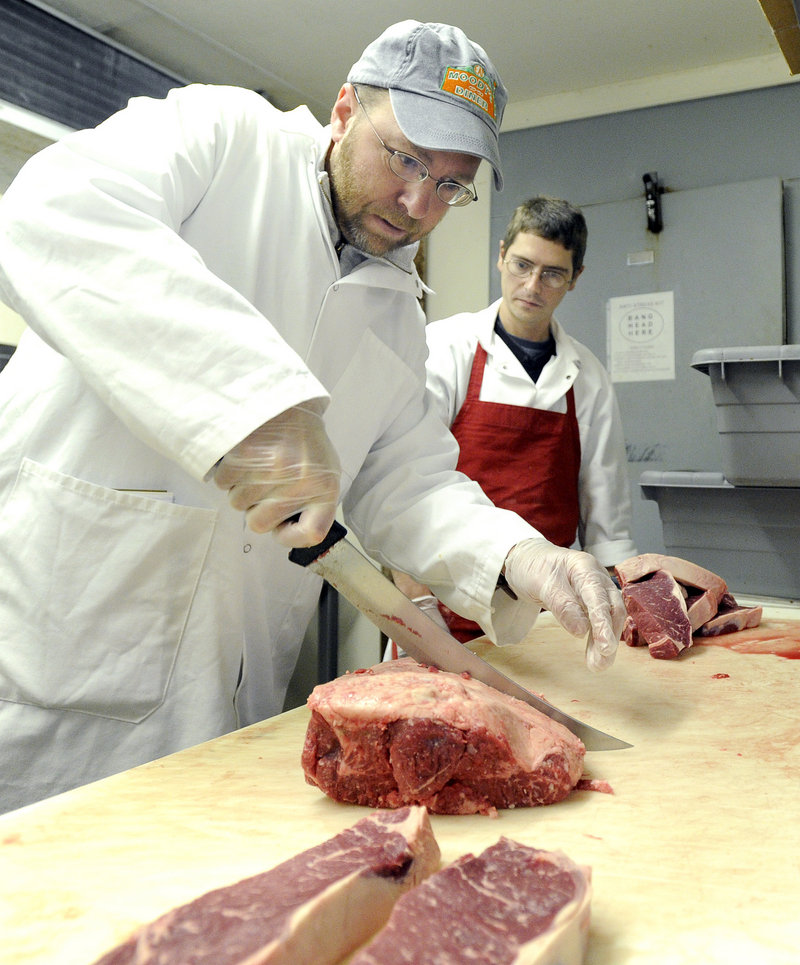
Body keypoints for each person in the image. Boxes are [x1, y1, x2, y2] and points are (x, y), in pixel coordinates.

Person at [0, 21, 624, 813]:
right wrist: (257, 404)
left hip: (229, 695)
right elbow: (52, 211)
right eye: (405, 159)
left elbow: (407, 480)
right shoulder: (224, 136)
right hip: (66, 641)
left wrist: (518, 555)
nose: (418, 203)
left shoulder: (397, 308)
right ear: (342, 109)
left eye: (451, 186)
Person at [390, 196, 636, 645]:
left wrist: (623, 614)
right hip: (441, 610)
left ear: (575, 279)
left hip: (550, 622)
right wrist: (420, 610)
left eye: (553, 273)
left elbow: (607, 531)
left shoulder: (590, 378)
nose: (533, 285)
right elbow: (402, 488)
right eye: (522, 265)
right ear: (501, 255)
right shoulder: (446, 348)